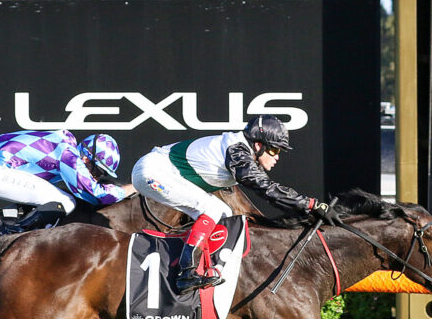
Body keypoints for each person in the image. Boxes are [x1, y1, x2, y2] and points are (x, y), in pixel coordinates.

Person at [131, 115, 336, 293]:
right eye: (274, 150)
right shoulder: (238, 153)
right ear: (258, 145)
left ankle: (192, 266)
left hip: (158, 172)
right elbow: (267, 190)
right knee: (212, 209)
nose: (277, 157)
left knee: (222, 212)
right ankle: (186, 272)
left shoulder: (240, 150)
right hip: (152, 172)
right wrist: (310, 204)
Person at [0, 129, 135, 232]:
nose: (97, 177)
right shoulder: (68, 155)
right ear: (86, 158)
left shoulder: (64, 146)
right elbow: (98, 195)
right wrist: (135, 187)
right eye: (98, 171)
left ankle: (5, 221)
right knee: (66, 202)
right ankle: (15, 236)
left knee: (47, 198)